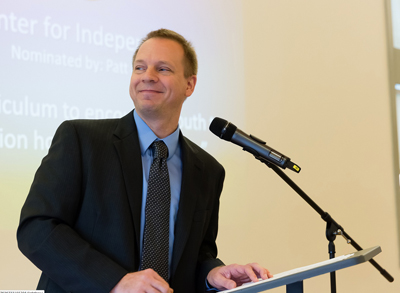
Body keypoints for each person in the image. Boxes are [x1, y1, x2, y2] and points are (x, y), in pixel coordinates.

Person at [17, 28, 272, 293]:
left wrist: (213, 273)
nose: (147, 77)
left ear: (189, 84)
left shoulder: (207, 170)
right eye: (140, 67)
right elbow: (37, 229)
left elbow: (197, 255)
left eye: (163, 69)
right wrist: (114, 280)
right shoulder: (81, 140)